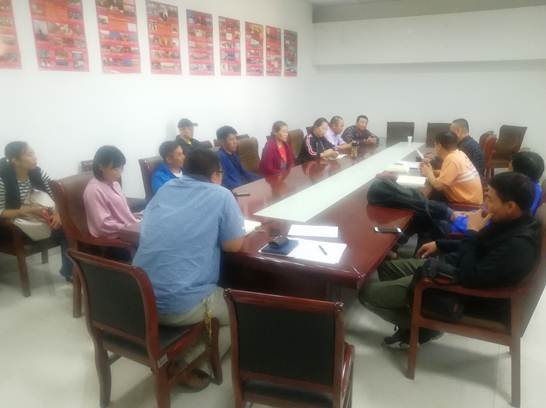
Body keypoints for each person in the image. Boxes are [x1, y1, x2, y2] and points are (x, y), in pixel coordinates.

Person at [360, 172, 541, 348]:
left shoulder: (519, 246)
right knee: (386, 268)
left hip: (459, 290)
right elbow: (479, 244)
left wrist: (472, 232)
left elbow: (470, 277)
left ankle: (425, 327)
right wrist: (440, 244)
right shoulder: (510, 222)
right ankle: (412, 310)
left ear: (510, 206)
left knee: (365, 293)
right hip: (451, 266)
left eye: (490, 199)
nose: (485, 205)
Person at [133, 149, 245, 390]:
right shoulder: (221, 195)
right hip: (177, 304)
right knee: (240, 311)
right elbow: (233, 245)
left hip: (139, 298)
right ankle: (188, 362)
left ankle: (184, 352)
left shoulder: (165, 189)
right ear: (216, 174)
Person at [0, 141, 72, 281]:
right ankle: (70, 272)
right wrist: (30, 211)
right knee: (64, 230)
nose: (35, 157)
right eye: (29, 155)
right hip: (15, 223)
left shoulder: (37, 172)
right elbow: (1, 210)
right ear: (15, 160)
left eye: (33, 153)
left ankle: (69, 271)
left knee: (68, 227)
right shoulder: (3, 179)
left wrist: (58, 213)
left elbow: (56, 194)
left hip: (39, 216)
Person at [83, 146, 139, 239]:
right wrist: (129, 228)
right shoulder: (93, 190)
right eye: (115, 169)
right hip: (116, 237)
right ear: (101, 166)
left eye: (121, 168)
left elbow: (122, 213)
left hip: (128, 229)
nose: (119, 173)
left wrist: (136, 219)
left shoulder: (115, 184)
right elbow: (103, 225)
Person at [420, 131, 483, 205]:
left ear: (439, 146)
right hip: (473, 199)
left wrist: (429, 173)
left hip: (467, 205)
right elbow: (452, 174)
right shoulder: (459, 153)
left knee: (425, 200)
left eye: (435, 145)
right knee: (432, 195)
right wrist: (431, 171)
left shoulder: (452, 160)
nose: (435, 148)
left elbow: (438, 186)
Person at [216, 126, 260, 190]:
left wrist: (260, 180)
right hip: (237, 190)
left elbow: (244, 172)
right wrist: (245, 188)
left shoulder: (233, 154)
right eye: (231, 139)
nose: (235, 142)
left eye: (235, 138)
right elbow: (225, 181)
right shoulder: (220, 157)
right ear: (222, 141)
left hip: (245, 186)